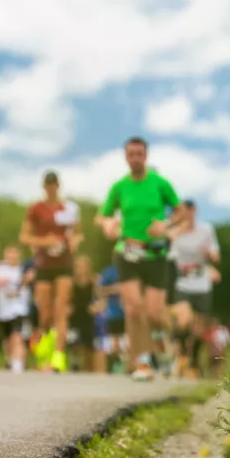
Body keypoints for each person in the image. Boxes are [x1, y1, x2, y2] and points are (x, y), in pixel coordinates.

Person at [95, 137, 184, 382]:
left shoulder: (160, 183)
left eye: (139, 154)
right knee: (133, 308)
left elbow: (180, 212)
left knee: (155, 314)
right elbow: (101, 216)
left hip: (155, 254)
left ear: (146, 156)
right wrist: (108, 224)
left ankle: (162, 342)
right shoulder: (119, 187)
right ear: (126, 157)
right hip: (127, 252)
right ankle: (143, 363)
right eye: (131, 154)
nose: (135, 158)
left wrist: (165, 225)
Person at [20, 170, 82, 373]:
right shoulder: (36, 209)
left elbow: (78, 234)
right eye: (48, 184)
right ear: (44, 187)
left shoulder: (69, 208)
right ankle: (45, 351)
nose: (51, 187)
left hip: (64, 263)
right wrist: (45, 242)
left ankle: (59, 355)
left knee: (61, 307)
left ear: (59, 185)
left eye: (54, 184)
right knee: (45, 311)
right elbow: (25, 237)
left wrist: (73, 242)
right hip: (43, 264)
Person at [167, 199, 220, 379]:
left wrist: (210, 257)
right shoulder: (175, 232)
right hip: (182, 281)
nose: (186, 215)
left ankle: (194, 363)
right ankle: (181, 354)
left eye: (189, 211)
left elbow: (215, 255)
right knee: (183, 320)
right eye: (182, 211)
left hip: (202, 282)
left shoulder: (206, 230)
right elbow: (169, 256)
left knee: (198, 328)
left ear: (194, 211)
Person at [0, 245, 32, 373]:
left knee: (17, 336)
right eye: (10, 254)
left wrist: (26, 280)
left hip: (20, 308)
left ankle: (18, 363)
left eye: (15, 254)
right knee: (7, 339)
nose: (12, 257)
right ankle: (11, 360)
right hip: (3, 311)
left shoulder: (24, 269)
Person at [70, 255, 98, 372]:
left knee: (89, 345)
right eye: (78, 266)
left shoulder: (95, 280)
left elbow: (101, 296)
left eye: (83, 266)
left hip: (89, 315)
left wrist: (97, 306)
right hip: (75, 314)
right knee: (74, 342)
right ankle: (75, 364)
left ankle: (89, 369)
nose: (81, 269)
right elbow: (67, 297)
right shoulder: (71, 282)